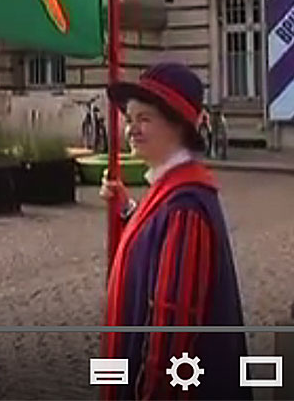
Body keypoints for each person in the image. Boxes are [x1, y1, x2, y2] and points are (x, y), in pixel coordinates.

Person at [99, 62, 249, 401]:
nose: (132, 129)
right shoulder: (170, 192)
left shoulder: (185, 207)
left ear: (177, 126)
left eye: (145, 119)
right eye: (130, 119)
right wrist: (128, 210)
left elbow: (173, 327)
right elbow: (157, 246)